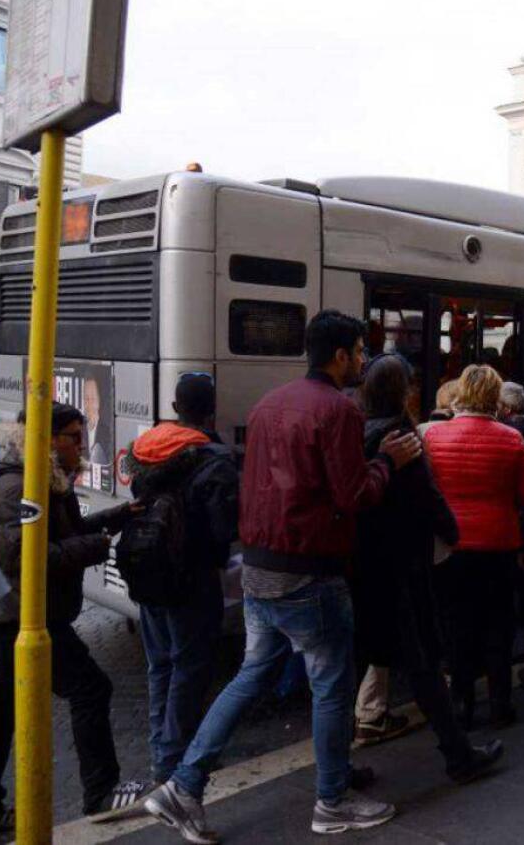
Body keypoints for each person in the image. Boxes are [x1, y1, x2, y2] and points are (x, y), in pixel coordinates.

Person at [146, 311, 423, 841]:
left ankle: (183, 785)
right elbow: (354, 496)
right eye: (360, 352)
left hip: (259, 567)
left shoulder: (270, 403)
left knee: (251, 676)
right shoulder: (338, 412)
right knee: (332, 686)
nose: (363, 362)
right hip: (309, 574)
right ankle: (332, 801)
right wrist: (387, 462)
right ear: (340, 356)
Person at [0, 405, 148, 833]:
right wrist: (95, 548)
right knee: (91, 688)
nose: (81, 446)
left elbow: (59, 537)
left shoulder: (44, 481)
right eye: (74, 437)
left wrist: (115, 517)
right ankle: (101, 792)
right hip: (20, 620)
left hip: (18, 614)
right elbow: (24, 556)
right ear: (47, 440)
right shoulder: (15, 487)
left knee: (0, 712)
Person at [353, 355, 505, 779]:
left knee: (351, 666)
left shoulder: (358, 430)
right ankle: (459, 756)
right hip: (403, 567)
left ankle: (334, 765)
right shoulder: (401, 437)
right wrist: (451, 533)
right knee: (424, 667)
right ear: (404, 392)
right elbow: (427, 498)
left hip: (364, 566)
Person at [124, 376, 240, 796]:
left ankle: (162, 749)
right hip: (192, 578)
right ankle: (174, 759)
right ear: (211, 410)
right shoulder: (213, 458)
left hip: (148, 571)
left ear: (175, 405)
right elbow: (223, 526)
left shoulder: (148, 448)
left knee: (160, 665)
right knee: (192, 668)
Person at [425, 365, 524, 730]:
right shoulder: (509, 438)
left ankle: (461, 704)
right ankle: (499, 704)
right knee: (499, 625)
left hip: (453, 547)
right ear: (495, 397)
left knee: (458, 626)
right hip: (499, 544)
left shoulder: (434, 437)